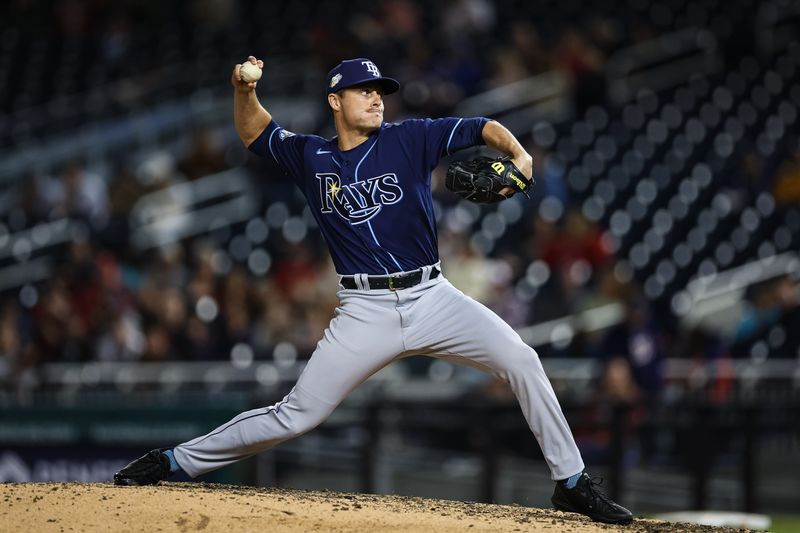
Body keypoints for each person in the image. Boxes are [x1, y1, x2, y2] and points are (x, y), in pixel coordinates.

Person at [114, 56, 633, 525]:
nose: (376, 96)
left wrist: (520, 157)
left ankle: (572, 482)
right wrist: (244, 91)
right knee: (298, 415)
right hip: (364, 309)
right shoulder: (311, 157)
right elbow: (256, 134)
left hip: (433, 296)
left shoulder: (411, 138)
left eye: (379, 89)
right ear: (336, 101)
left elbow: (483, 127)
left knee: (521, 359)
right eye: (363, 89)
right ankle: (174, 460)